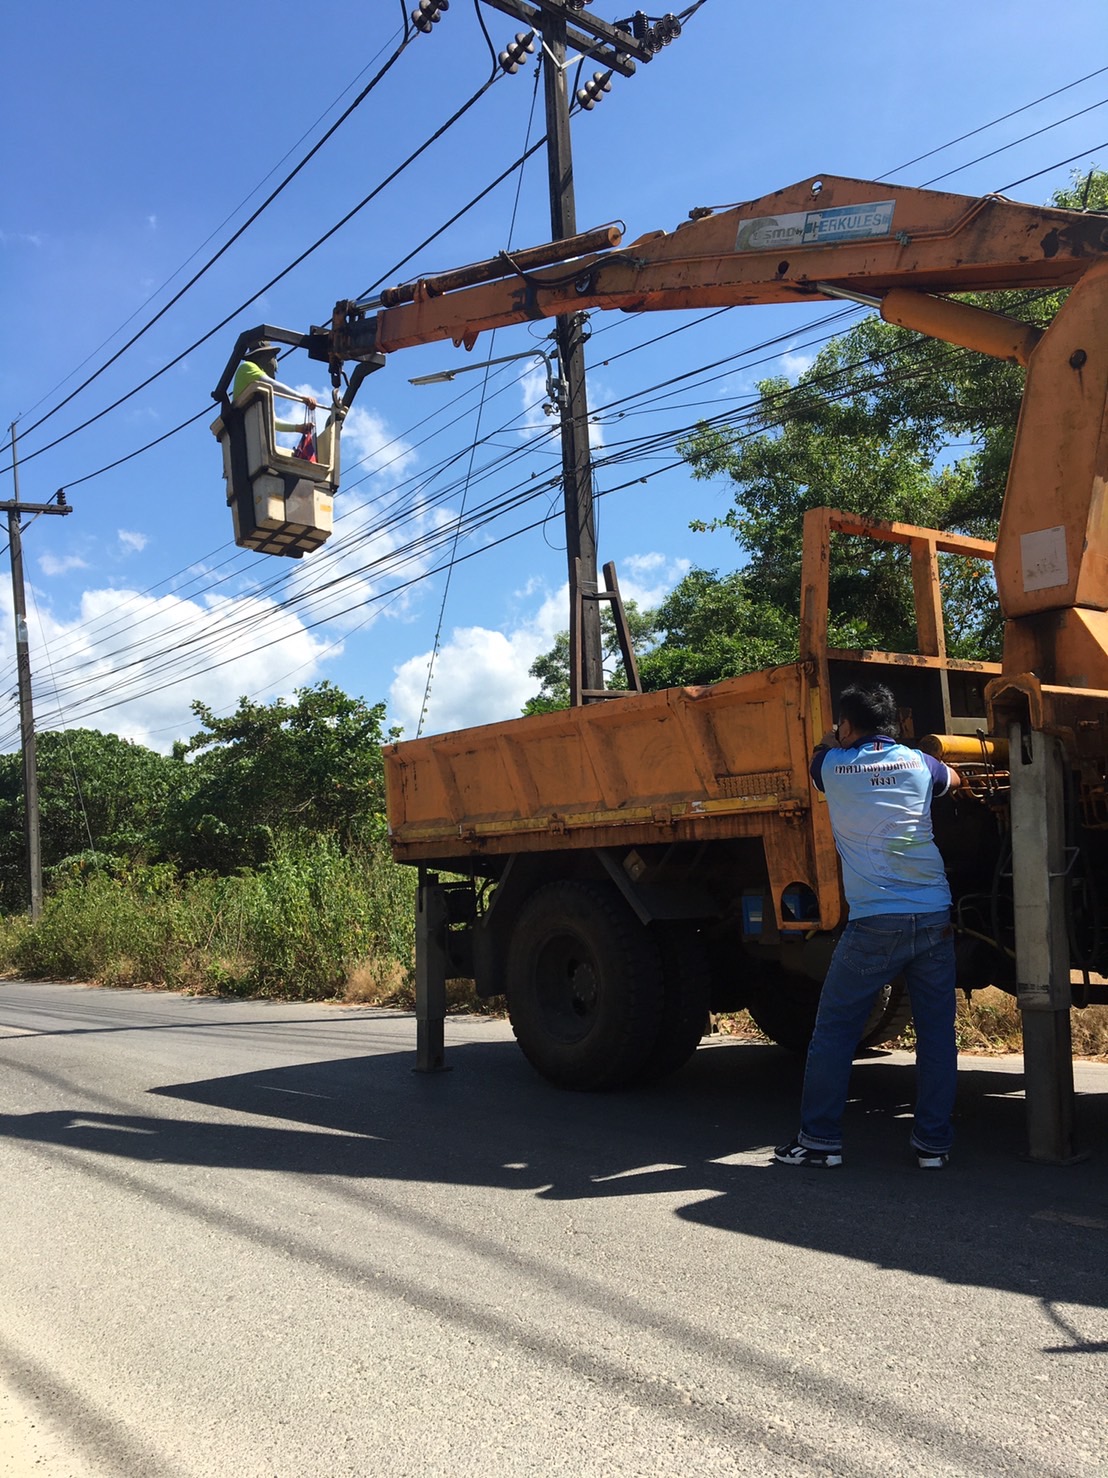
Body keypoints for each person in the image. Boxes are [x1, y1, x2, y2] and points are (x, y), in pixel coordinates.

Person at [774, 681, 962, 1171]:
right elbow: (956, 779)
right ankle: (933, 1146)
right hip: (935, 914)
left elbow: (816, 753)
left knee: (835, 1031)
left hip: (876, 921)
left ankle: (819, 1142)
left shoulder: (834, 768)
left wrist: (834, 737)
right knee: (937, 1035)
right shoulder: (922, 766)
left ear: (849, 725)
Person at [232, 341, 317, 439]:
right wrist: (301, 397)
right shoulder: (247, 367)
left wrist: (298, 428)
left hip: (251, 434)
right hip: (244, 430)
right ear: (262, 355)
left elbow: (273, 421)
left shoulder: (261, 390)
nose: (275, 361)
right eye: (273, 356)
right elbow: (272, 384)